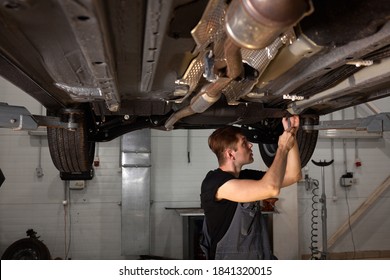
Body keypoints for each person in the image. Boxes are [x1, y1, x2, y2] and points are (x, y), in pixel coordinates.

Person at [200, 115, 301, 260]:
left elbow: (293, 175)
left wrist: (291, 136)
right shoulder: (215, 182)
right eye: (244, 142)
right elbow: (271, 188)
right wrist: (283, 147)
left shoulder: (246, 176)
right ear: (230, 154)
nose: (250, 145)